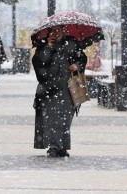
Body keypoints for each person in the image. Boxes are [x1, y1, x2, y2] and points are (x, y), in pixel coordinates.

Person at [32, 25, 87, 158]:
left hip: (68, 89)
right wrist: (49, 48)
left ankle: (62, 146)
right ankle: (54, 146)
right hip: (49, 90)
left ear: (64, 31)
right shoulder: (43, 48)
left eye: (59, 30)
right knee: (52, 119)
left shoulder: (72, 45)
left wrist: (77, 65)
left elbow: (82, 59)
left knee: (66, 119)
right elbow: (39, 64)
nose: (56, 34)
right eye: (53, 31)